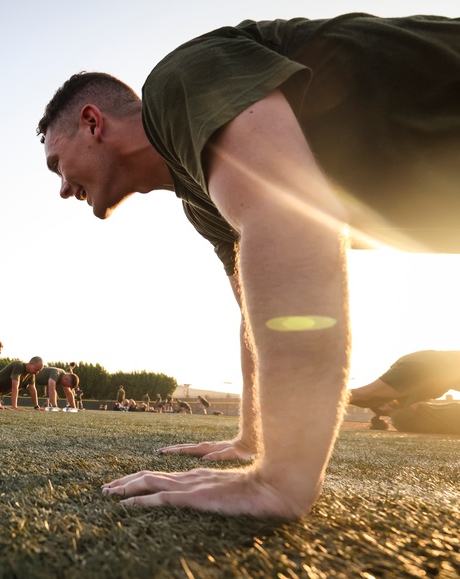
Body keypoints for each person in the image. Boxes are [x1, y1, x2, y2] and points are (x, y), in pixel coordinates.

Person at [37, 15, 460, 519]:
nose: (63, 188)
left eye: (56, 165)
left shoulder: (180, 79)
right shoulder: (200, 202)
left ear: (92, 122)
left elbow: (287, 215)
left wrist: (278, 480)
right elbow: (254, 313)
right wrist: (251, 440)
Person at [349, 350, 460, 435]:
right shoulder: (400, 415)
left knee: (360, 396)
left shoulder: (400, 414)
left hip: (425, 364)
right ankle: (333, 394)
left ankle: (333, 394)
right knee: (360, 396)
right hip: (426, 364)